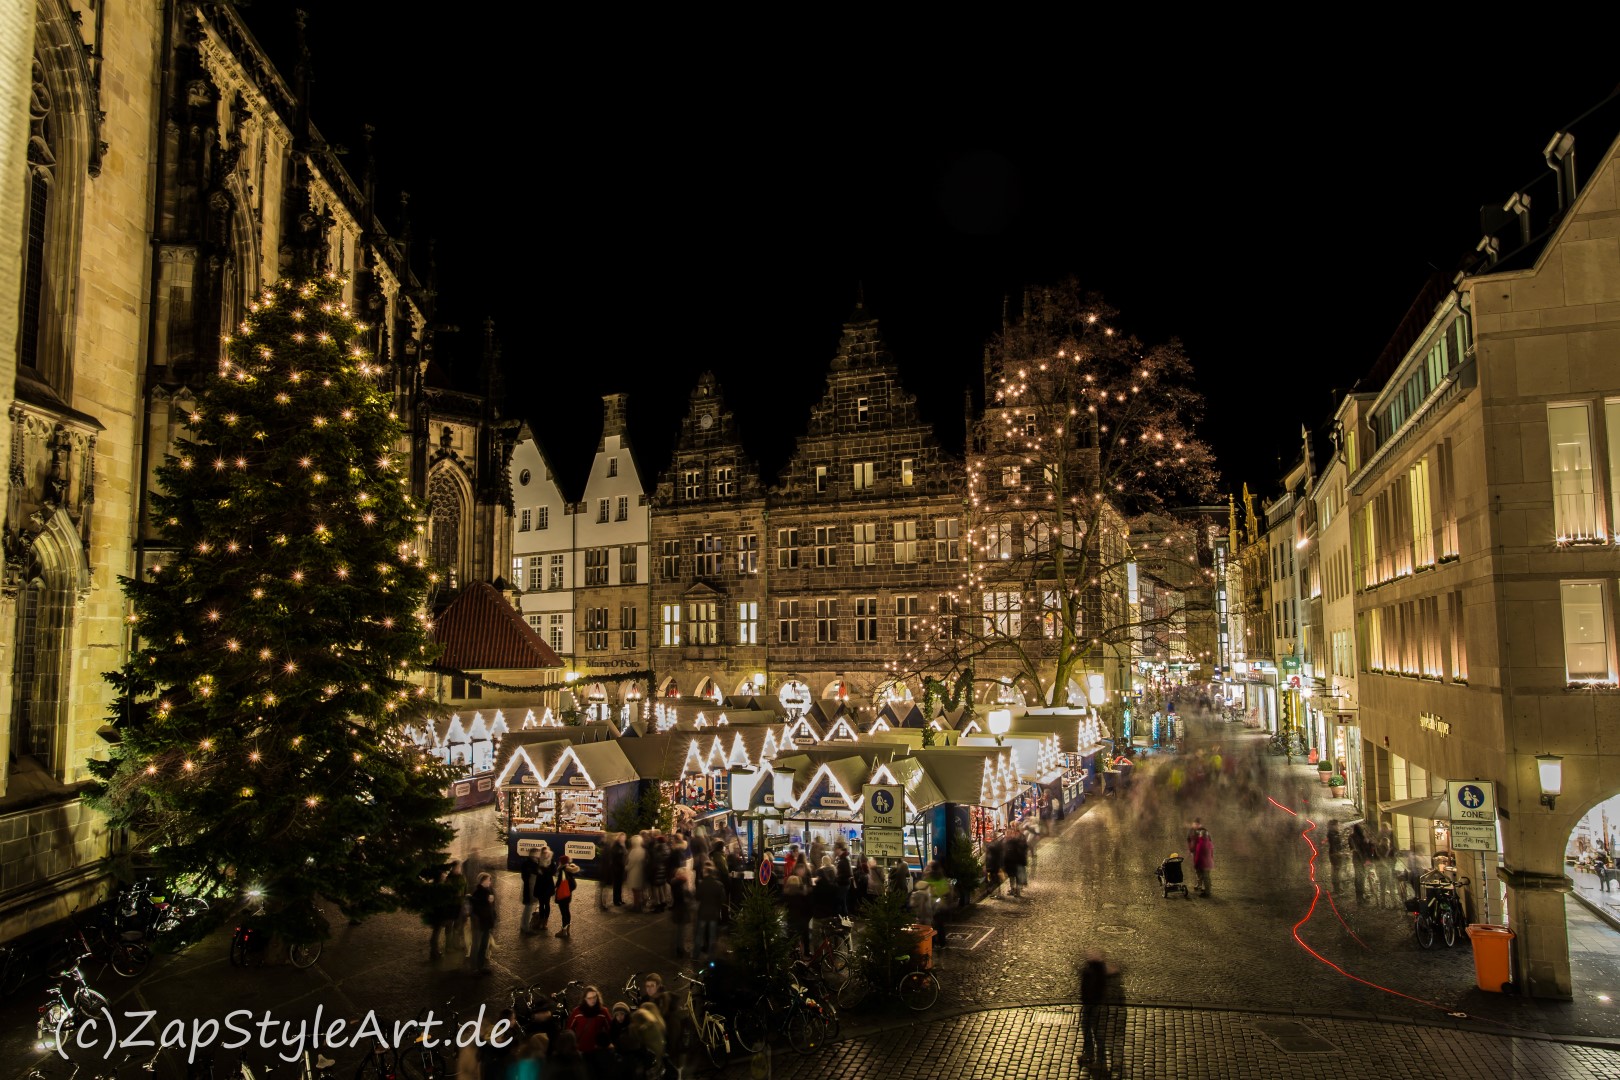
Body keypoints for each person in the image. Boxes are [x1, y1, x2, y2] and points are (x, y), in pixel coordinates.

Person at [1080, 950, 1120, 1074]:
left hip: (1093, 1005)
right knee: (1089, 1030)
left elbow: (1091, 989)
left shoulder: (1093, 973)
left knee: (1097, 1034)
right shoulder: (1095, 972)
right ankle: (1090, 1054)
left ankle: (1099, 1061)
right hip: (1092, 1004)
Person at [427, 861, 465, 961]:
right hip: (439, 915)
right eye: (443, 876)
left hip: (442, 913)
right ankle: (434, 953)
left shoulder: (443, 885)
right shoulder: (439, 888)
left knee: (436, 933)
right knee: (436, 934)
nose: (445, 877)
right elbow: (442, 901)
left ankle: (435, 952)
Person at [565, 984, 613, 1058]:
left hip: (598, 1050)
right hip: (580, 1050)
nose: (593, 1000)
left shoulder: (603, 1011)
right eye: (589, 998)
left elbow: (610, 1029)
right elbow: (569, 1030)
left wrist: (606, 1043)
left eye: (594, 997)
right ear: (585, 999)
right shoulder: (577, 1012)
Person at [693, 863, 726, 963]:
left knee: (699, 935)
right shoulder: (718, 885)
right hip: (713, 914)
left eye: (703, 872)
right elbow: (723, 900)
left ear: (706, 873)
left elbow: (697, 897)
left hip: (702, 913)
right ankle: (711, 957)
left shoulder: (701, 884)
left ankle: (695, 955)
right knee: (712, 937)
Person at [520, 844, 554, 934]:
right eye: (538, 853)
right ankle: (525, 927)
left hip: (539, 888)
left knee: (533, 907)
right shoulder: (531, 864)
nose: (539, 855)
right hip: (531, 889)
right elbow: (529, 876)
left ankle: (533, 924)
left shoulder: (534, 863)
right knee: (528, 908)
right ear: (534, 854)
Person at [468, 872, 496, 974]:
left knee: (483, 946)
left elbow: (491, 909)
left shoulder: (487, 891)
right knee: (477, 946)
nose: (490, 881)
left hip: (486, 924)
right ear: (483, 881)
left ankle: (481, 966)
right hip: (479, 925)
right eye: (488, 879)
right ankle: (474, 969)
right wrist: (487, 901)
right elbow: (478, 909)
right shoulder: (478, 893)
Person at [781, 868, 812, 956]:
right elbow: (809, 907)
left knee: (791, 938)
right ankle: (807, 952)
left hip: (791, 919)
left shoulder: (785, 894)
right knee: (805, 937)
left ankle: (791, 954)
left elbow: (780, 904)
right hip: (802, 920)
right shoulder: (803, 894)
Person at [669, 865, 692, 958]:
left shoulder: (675, 882)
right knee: (681, 931)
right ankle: (680, 949)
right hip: (681, 910)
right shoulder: (680, 884)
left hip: (677, 909)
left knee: (679, 930)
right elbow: (684, 898)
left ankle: (679, 947)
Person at [554, 859, 579, 938]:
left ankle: (563, 931)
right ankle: (567, 929)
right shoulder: (569, 870)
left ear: (561, 862)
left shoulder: (562, 870)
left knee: (563, 912)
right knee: (567, 911)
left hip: (562, 895)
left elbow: (558, 883)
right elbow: (572, 884)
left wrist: (555, 888)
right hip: (568, 895)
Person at [1349, 822, 1373, 903]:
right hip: (1361, 860)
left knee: (1358, 878)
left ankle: (1359, 897)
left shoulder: (1351, 837)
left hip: (1356, 859)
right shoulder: (1361, 838)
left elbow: (1352, 847)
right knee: (1361, 878)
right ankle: (1361, 897)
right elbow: (1364, 849)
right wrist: (1367, 842)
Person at [1189, 823, 1214, 897]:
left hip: (1203, 862)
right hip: (1204, 861)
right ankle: (1204, 888)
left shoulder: (1203, 842)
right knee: (1203, 875)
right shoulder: (1204, 841)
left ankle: (1207, 892)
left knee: (1206, 877)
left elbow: (1200, 854)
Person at [626, 833, 647, 912]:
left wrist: (626, 868)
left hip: (634, 873)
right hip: (641, 872)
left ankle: (636, 906)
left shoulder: (634, 851)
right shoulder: (643, 850)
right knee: (640, 890)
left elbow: (631, 863)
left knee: (635, 891)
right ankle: (640, 905)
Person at [607, 832, 629, 908]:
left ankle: (620, 899)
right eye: (622, 837)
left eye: (624, 837)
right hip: (616, 869)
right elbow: (616, 857)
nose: (624, 838)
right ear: (619, 837)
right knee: (616, 885)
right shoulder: (616, 845)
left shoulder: (622, 845)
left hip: (621, 868)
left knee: (620, 885)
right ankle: (616, 901)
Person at [1325, 819, 1345, 893]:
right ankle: (1336, 889)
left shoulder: (1334, 833)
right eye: (1336, 825)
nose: (1338, 826)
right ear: (1333, 826)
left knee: (1336, 871)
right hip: (1334, 854)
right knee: (1336, 872)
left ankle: (1337, 888)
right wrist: (1337, 853)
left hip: (1335, 853)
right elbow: (1333, 845)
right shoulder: (1332, 834)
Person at [833, 842, 853, 915]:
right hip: (844, 883)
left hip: (843, 883)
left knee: (841, 901)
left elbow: (847, 873)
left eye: (835, 849)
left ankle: (844, 917)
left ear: (839, 849)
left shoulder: (844, 859)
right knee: (842, 901)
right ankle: (844, 917)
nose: (835, 851)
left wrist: (837, 877)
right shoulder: (843, 858)